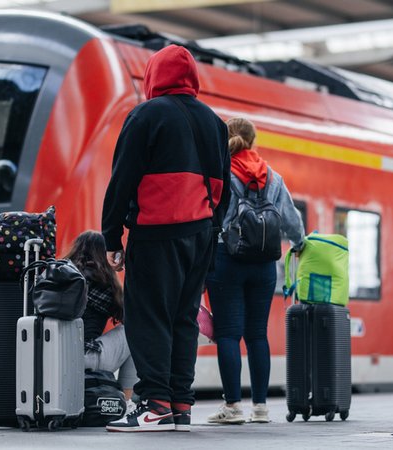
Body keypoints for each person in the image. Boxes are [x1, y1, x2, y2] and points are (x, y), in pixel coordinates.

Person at [102, 44, 231, 432]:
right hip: (202, 235)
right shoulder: (215, 123)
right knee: (183, 318)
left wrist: (112, 236)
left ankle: (153, 404)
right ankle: (179, 403)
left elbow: (122, 179)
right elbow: (224, 188)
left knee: (149, 317)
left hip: (157, 232)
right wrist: (214, 232)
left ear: (154, 77)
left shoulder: (145, 115)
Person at [205, 118, 305, 424]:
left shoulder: (221, 172)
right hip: (264, 264)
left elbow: (210, 214)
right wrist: (299, 244)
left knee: (228, 334)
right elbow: (292, 220)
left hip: (227, 259)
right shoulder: (272, 176)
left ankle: (233, 407)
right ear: (253, 141)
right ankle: (260, 407)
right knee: (257, 335)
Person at [64, 231, 136, 402]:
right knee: (136, 330)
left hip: (56, 355)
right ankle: (127, 401)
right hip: (86, 357)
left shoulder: (62, 277)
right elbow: (129, 316)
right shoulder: (101, 281)